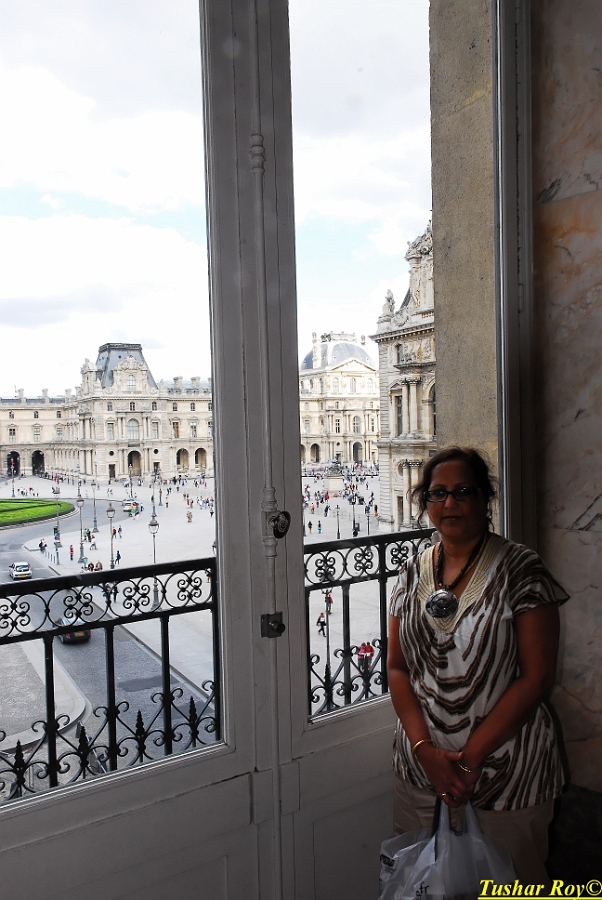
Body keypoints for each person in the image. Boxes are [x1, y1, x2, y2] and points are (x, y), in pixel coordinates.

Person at [387, 446, 568, 886]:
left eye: (463, 491)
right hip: (422, 771)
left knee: (514, 885)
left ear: (485, 499)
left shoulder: (521, 568)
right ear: (425, 502)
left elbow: (537, 677)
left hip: (510, 771)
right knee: (420, 885)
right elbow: (396, 668)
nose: (449, 503)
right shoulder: (411, 571)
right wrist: (425, 752)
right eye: (438, 493)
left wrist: (469, 761)